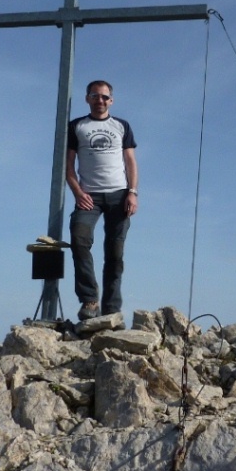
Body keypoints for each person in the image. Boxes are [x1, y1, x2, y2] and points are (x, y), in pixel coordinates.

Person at [66, 80, 139, 321]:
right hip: (89, 196)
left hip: (119, 194)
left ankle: (111, 309)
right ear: (87, 98)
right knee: (79, 239)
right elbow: (68, 165)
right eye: (95, 96)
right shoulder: (77, 126)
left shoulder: (121, 126)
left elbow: (130, 161)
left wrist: (132, 192)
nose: (100, 100)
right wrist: (78, 192)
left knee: (115, 253)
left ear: (111, 101)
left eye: (105, 97)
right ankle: (89, 300)